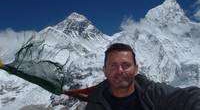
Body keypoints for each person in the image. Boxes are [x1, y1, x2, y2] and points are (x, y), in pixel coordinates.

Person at [65, 43, 200, 110]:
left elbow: (190, 96)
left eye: (126, 65)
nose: (120, 70)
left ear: (136, 69)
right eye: (113, 66)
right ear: (104, 71)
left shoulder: (152, 93)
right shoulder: (95, 105)